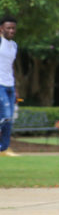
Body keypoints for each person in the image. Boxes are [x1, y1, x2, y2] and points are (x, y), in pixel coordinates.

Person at [0, 16, 18, 157]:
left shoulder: (14, 46)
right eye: (8, 28)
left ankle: (3, 147)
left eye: (13, 28)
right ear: (1, 29)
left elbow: (10, 67)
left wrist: (15, 88)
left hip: (10, 86)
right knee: (5, 116)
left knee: (9, 120)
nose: (11, 30)